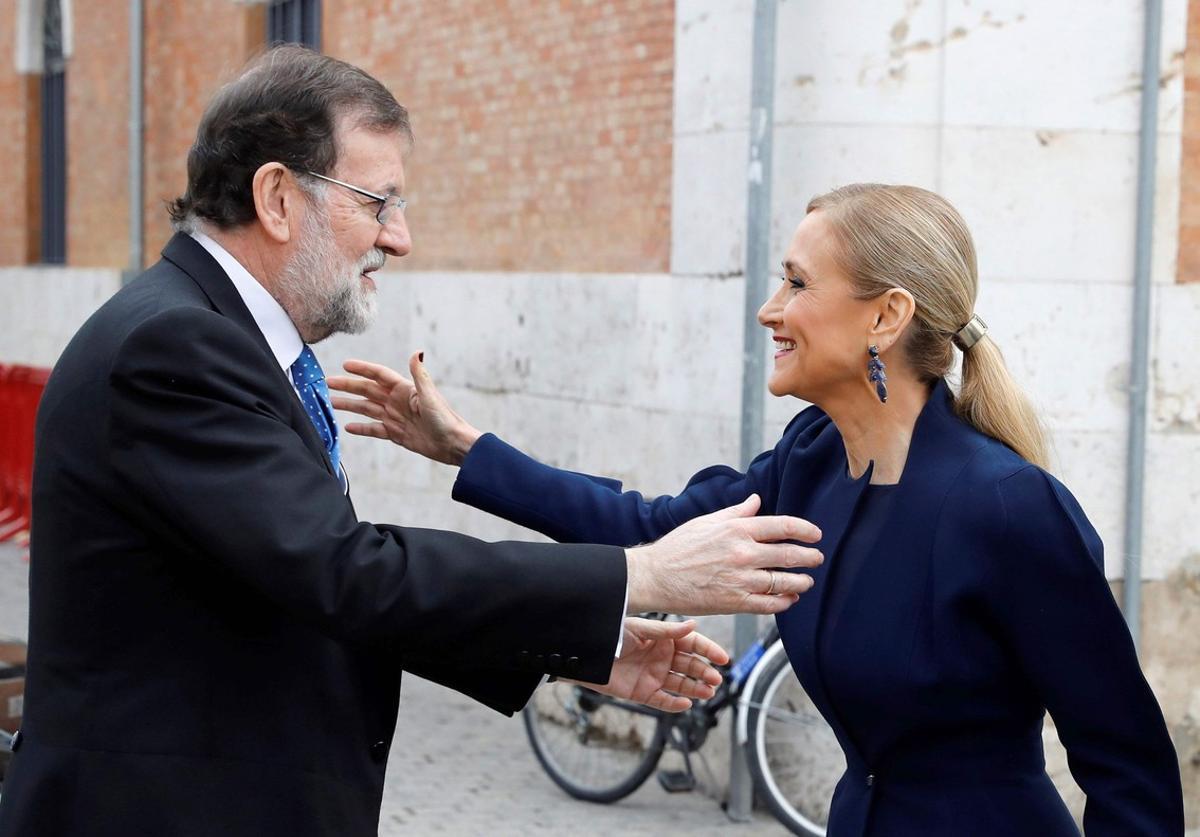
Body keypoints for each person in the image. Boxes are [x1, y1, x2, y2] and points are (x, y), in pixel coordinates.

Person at [0, 47, 828, 837]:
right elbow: (346, 572)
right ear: (279, 197)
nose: (399, 238)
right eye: (379, 202)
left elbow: (306, 589)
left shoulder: (213, 334)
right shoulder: (177, 346)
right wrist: (638, 573)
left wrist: (572, 650)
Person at [330, 183, 1185, 835]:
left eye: (798, 283)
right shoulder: (811, 458)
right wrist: (466, 450)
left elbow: (1127, 762)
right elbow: (651, 529)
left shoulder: (1007, 508)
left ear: (887, 315)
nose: (770, 309)